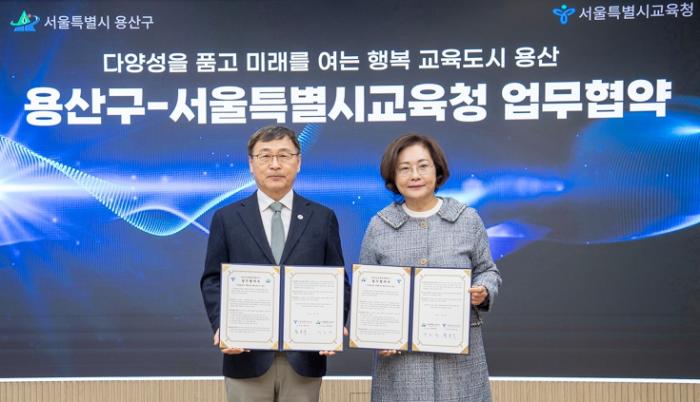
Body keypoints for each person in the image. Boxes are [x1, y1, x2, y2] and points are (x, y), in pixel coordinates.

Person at [200, 125, 350, 402]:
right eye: (265, 156)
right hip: (245, 355)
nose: (275, 164)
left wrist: (333, 324)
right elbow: (213, 280)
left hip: (304, 357)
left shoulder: (322, 218)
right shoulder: (227, 218)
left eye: (284, 155)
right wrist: (224, 326)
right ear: (251, 164)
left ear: (298, 162)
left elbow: (337, 280)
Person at [359, 134, 502, 402]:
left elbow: (487, 270)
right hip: (400, 365)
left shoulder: (466, 219)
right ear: (393, 175)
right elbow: (366, 293)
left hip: (458, 361)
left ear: (437, 170)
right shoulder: (379, 226)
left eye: (423, 166)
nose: (415, 175)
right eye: (404, 168)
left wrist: (483, 289)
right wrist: (377, 335)